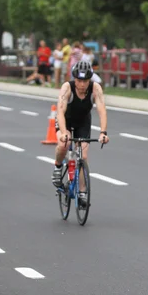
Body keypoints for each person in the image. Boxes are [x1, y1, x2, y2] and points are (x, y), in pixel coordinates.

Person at [52, 60, 109, 206]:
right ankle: (58, 166)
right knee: (65, 143)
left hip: (83, 121)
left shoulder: (96, 88)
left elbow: (102, 110)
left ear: (90, 79)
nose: (82, 84)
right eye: (79, 80)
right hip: (66, 120)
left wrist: (103, 132)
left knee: (83, 156)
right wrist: (64, 132)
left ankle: (82, 193)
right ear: (74, 79)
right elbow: (60, 110)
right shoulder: (67, 88)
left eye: (85, 81)